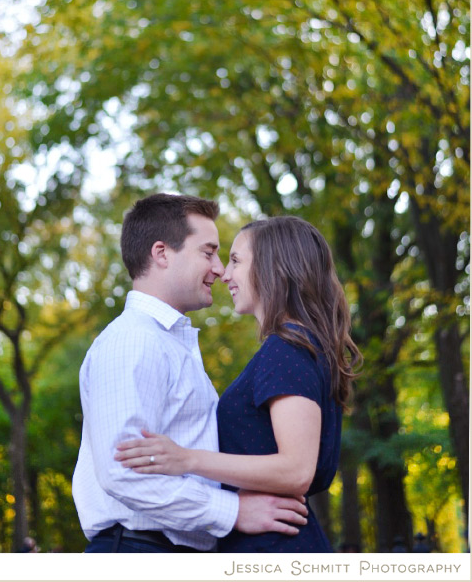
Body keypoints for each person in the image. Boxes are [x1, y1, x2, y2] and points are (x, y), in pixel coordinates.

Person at [72, 194, 308, 553]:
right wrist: (233, 511)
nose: (218, 268)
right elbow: (123, 473)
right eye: (208, 252)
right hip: (139, 552)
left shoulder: (167, 344)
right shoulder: (133, 340)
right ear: (162, 253)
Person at [116, 216, 362, 552]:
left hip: (275, 547)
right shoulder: (296, 347)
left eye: (235, 260)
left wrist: (187, 459)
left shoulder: (286, 349)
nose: (225, 274)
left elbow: (296, 469)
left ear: (273, 267)